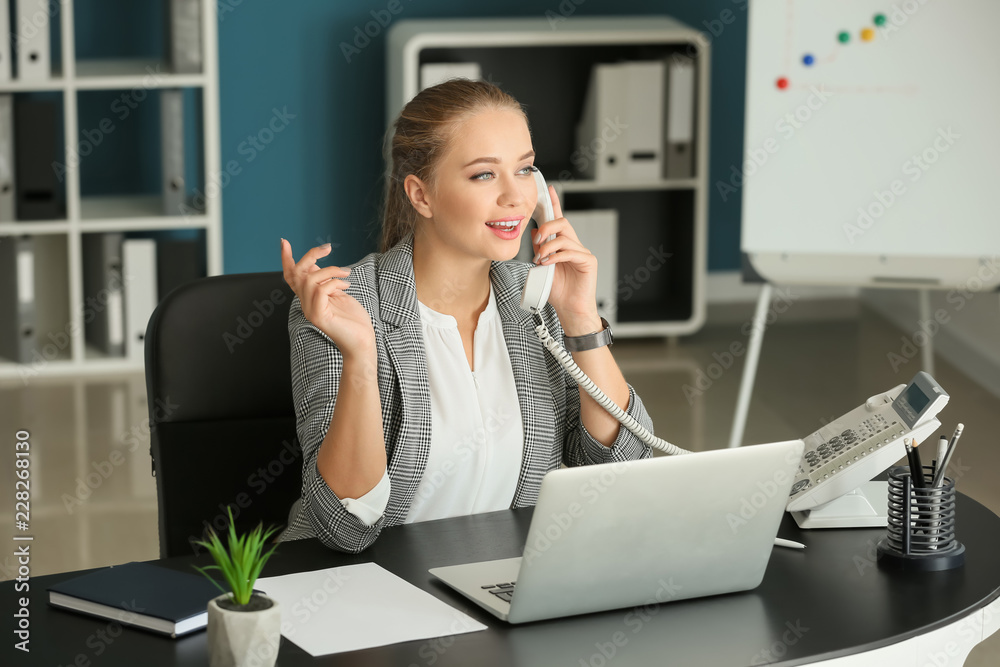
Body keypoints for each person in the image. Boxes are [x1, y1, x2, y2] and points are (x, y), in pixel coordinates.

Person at [278, 79, 654, 553]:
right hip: (367, 587)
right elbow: (345, 528)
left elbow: (618, 472)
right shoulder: (345, 309)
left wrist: (580, 319)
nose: (516, 198)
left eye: (524, 170)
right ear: (421, 196)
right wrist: (360, 358)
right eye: (483, 175)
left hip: (499, 578)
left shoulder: (536, 302)